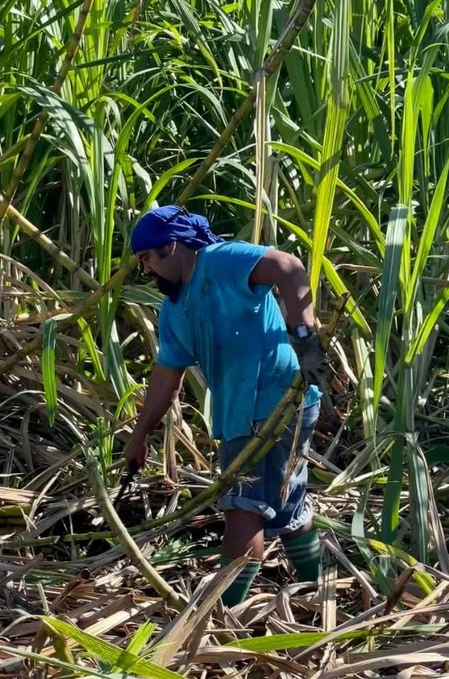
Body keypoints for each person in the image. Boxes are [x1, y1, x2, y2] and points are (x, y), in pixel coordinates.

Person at [123, 204, 330, 607]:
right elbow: (167, 377)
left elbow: (287, 267)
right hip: (246, 413)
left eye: (146, 258)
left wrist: (305, 336)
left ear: (169, 246)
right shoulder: (174, 310)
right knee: (287, 508)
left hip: (274, 403)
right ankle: (324, 599)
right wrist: (139, 435)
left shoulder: (221, 260)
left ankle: (222, 615)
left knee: (242, 510)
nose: (145, 270)